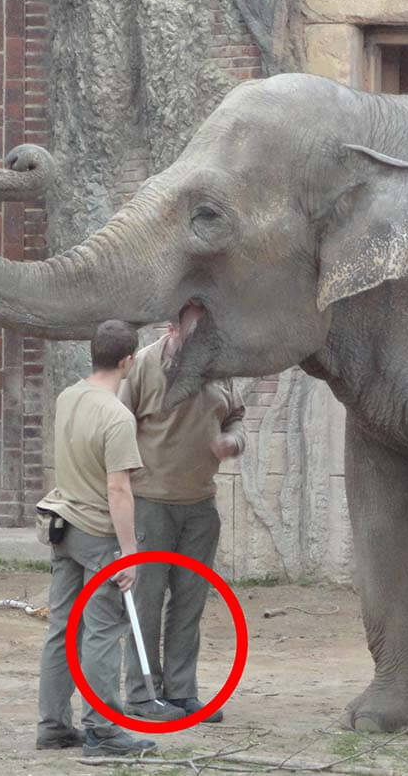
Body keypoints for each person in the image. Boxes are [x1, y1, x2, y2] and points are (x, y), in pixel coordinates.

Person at [35, 320, 158, 756]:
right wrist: (130, 554)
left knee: (62, 628)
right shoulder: (116, 415)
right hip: (99, 533)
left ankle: (52, 726)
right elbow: (118, 489)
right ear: (128, 361)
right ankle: (102, 732)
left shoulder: (68, 396)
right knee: (103, 632)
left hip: (62, 526)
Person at [120, 309, 246, 723]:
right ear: (170, 328)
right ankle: (142, 694)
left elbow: (236, 416)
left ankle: (180, 692)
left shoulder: (219, 368)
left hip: (200, 505)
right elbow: (119, 425)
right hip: (151, 503)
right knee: (147, 600)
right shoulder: (142, 367)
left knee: (189, 603)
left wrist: (233, 440)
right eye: (193, 333)